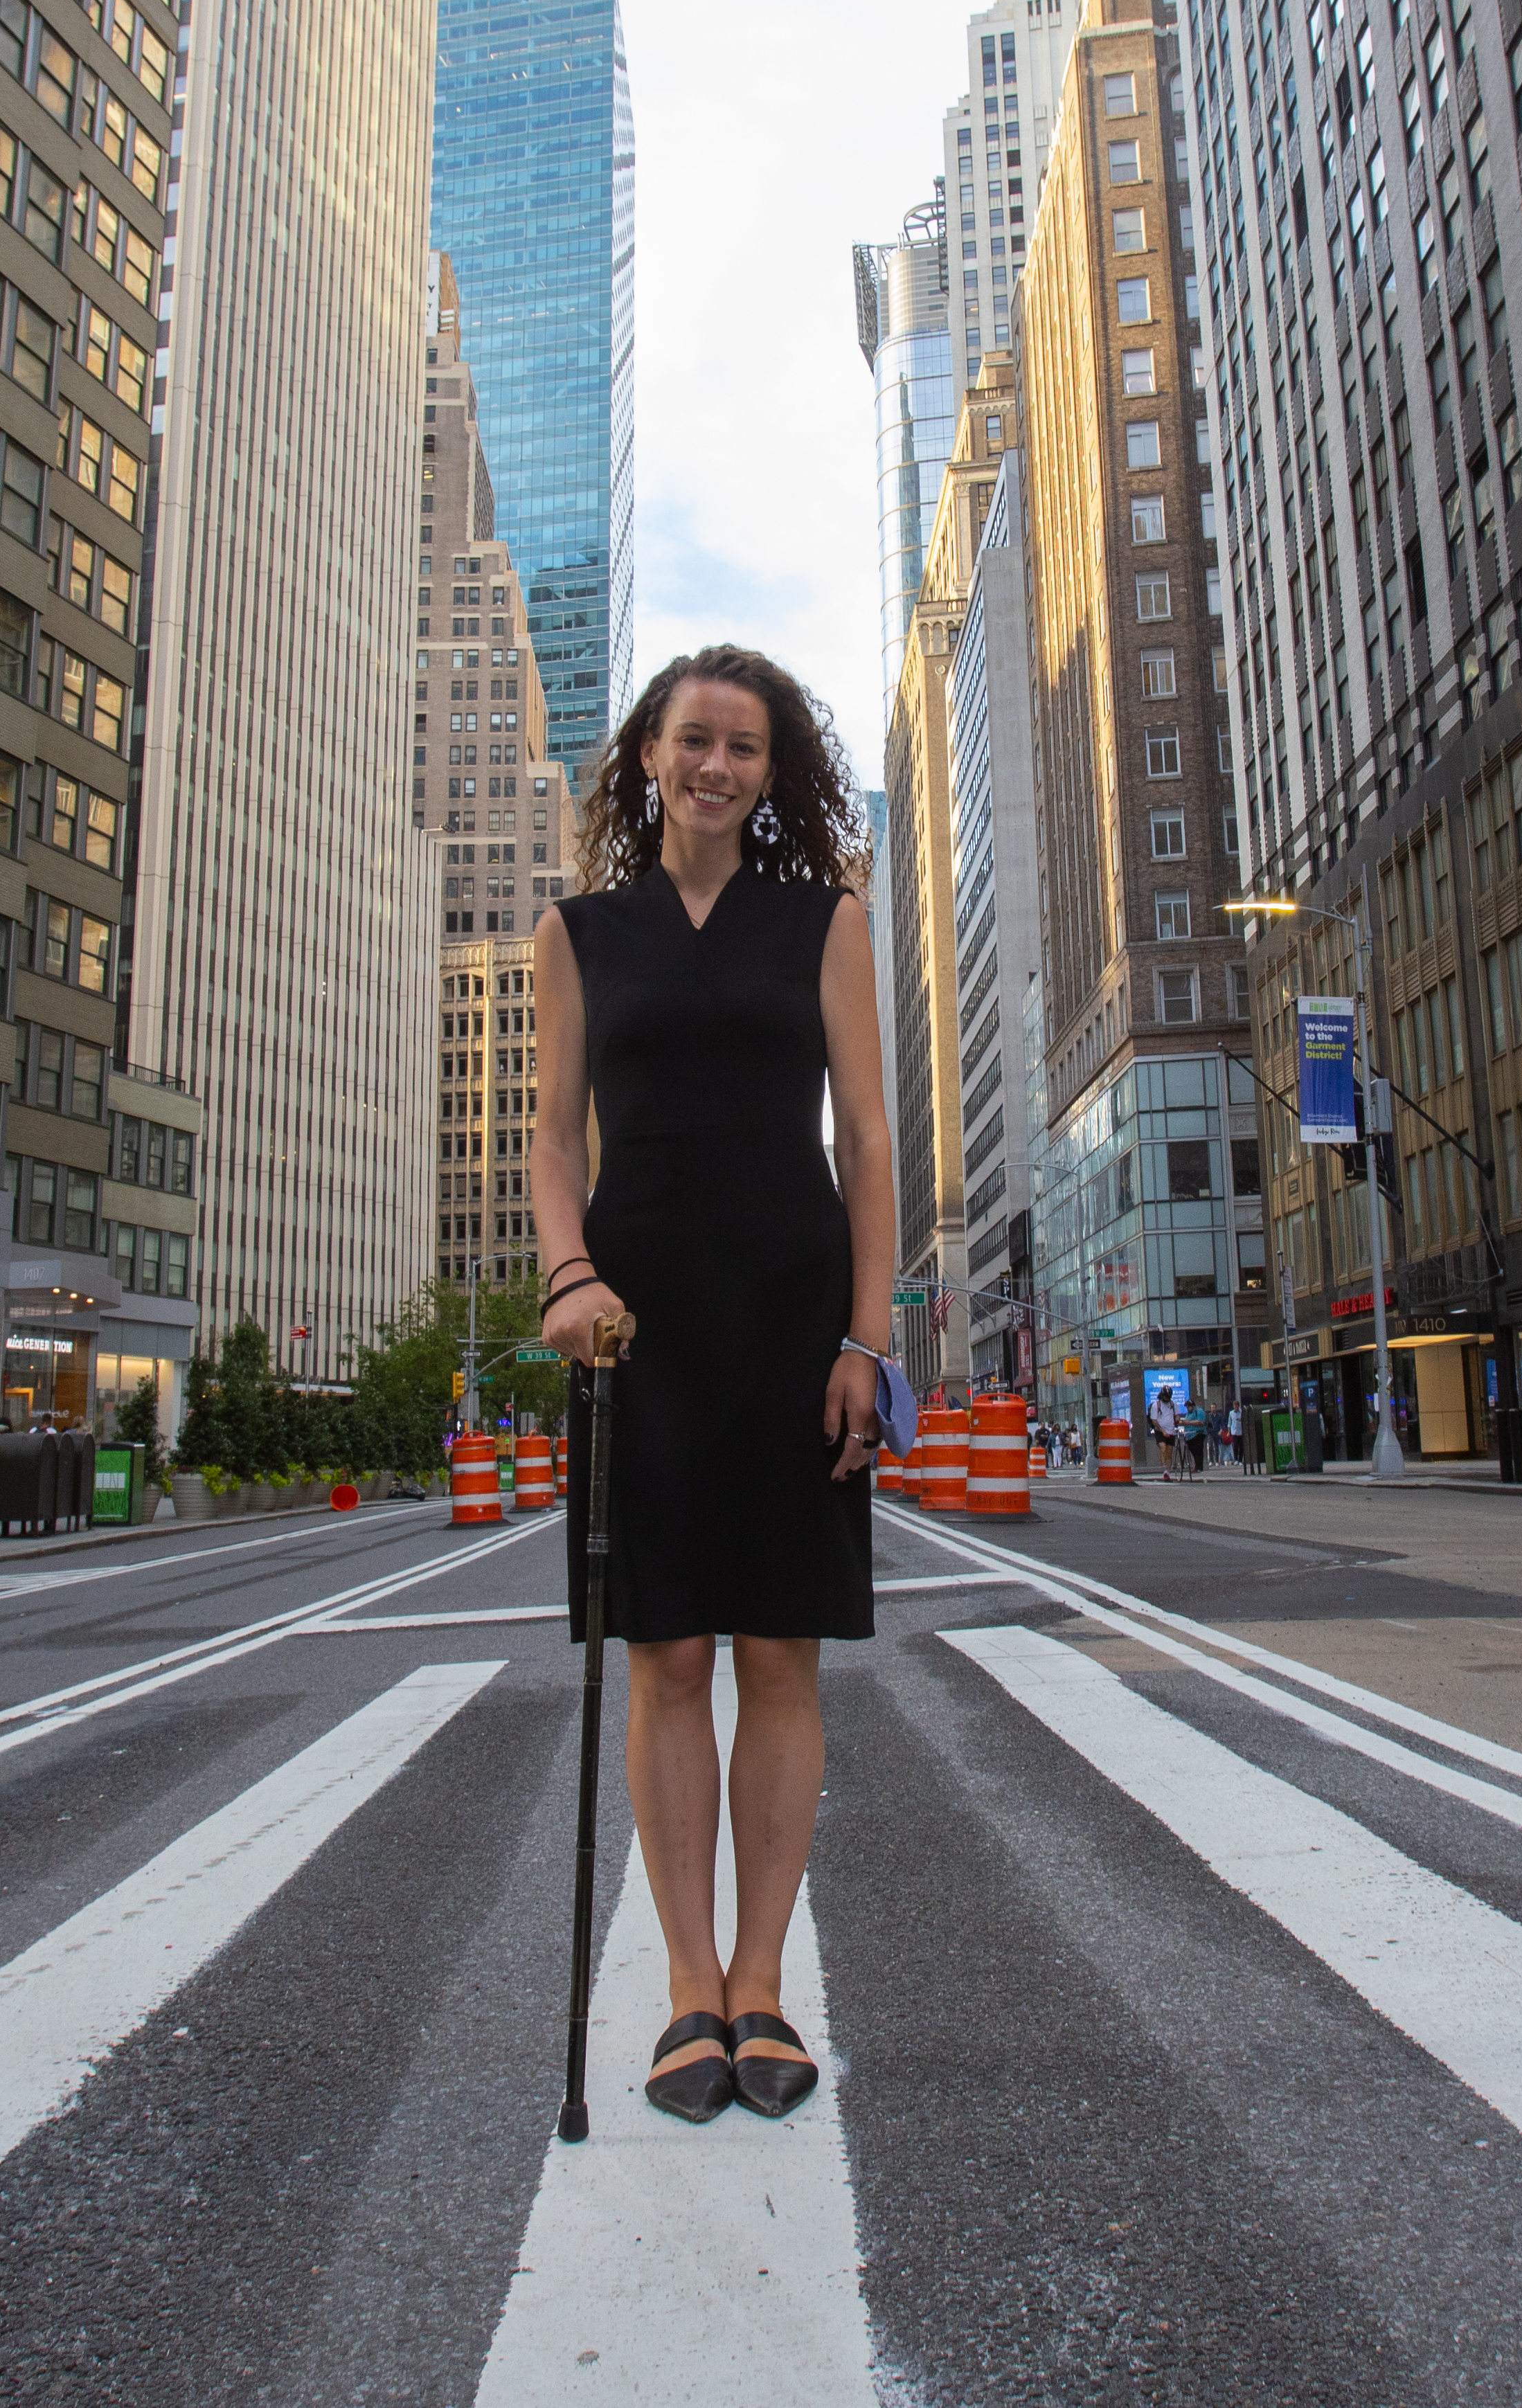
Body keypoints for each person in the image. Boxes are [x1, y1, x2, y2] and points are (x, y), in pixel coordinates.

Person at [535, 645, 882, 2128]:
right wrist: (567, 1274)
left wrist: (865, 1338)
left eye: (745, 745)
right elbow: (554, 1137)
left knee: (781, 1654)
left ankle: (763, 1974)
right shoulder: (578, 930)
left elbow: (866, 1141)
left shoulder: (826, 919)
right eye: (694, 738)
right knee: (667, 1654)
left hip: (794, 1310)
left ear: (771, 768)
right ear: (651, 754)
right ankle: (688, 1981)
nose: (717, 764)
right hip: (634, 1324)